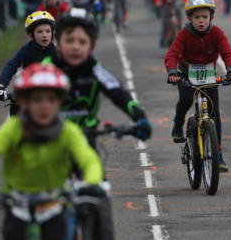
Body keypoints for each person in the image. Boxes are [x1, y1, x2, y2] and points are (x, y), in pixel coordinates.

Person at [0, 62, 105, 240]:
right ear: (23, 102)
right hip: (17, 204)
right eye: (37, 100)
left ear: (61, 102)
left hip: (54, 204)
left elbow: (89, 159)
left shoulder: (68, 131)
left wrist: (91, 182)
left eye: (51, 100)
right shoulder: (14, 128)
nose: (44, 106)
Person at [45, 8, 151, 148]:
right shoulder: (45, 68)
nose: (75, 47)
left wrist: (140, 118)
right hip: (50, 140)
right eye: (69, 41)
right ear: (58, 43)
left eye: (82, 42)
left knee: (94, 170)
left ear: (92, 47)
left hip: (85, 142)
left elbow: (119, 93)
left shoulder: (96, 70)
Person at [164, 0, 231, 172]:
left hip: (208, 74)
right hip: (186, 73)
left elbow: (227, 52)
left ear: (211, 18)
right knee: (186, 98)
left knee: (214, 114)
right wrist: (172, 72)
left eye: (205, 17)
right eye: (197, 18)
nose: (201, 21)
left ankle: (218, 154)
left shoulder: (217, 33)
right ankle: (178, 123)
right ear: (189, 18)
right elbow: (172, 54)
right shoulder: (183, 34)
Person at [0, 11, 56, 102]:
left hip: (52, 88)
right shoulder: (26, 50)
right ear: (31, 35)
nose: (44, 35)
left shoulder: (57, 51)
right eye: (40, 32)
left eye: (48, 31)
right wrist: (0, 86)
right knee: (16, 104)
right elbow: (12, 65)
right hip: (29, 89)